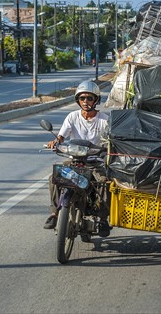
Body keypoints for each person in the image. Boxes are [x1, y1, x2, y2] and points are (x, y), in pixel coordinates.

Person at [44, 80, 109, 229]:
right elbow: (61, 136)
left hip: (95, 162)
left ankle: (103, 218)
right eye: (82, 98)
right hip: (75, 160)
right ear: (78, 100)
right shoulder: (72, 117)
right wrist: (55, 141)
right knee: (54, 178)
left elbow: (110, 140)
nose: (85, 101)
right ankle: (54, 213)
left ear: (96, 100)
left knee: (105, 182)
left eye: (89, 98)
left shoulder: (105, 120)